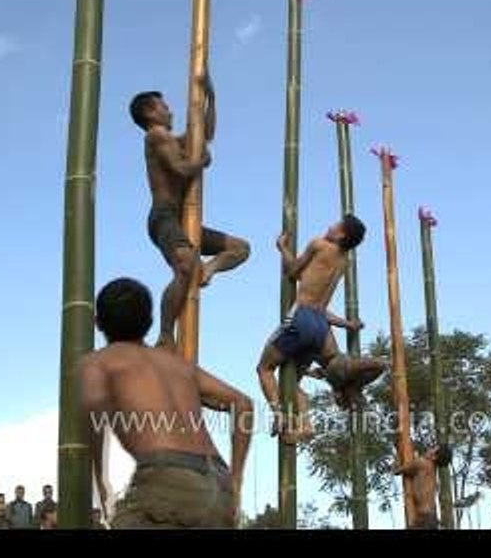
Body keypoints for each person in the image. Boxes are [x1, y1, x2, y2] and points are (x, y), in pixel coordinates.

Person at [80, 277, 253, 529]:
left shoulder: (99, 363)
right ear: (148, 322)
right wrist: (235, 480)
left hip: (168, 480)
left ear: (98, 323)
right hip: (219, 484)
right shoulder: (179, 365)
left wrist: (101, 482)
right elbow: (243, 403)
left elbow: (93, 425)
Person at [129, 74, 251, 349]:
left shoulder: (169, 139)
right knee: (185, 265)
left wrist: (211, 97)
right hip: (165, 217)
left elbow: (203, 134)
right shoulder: (156, 136)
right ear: (150, 112)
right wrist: (201, 161)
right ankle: (165, 333)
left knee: (240, 249)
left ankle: (207, 270)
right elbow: (182, 168)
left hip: (184, 220)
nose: (170, 110)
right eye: (163, 106)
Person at [257, 215, 388, 443]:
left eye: (335, 225)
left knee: (264, 369)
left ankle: (279, 414)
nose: (330, 226)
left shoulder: (319, 244)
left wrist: (282, 248)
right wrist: (348, 324)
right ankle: (306, 425)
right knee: (293, 384)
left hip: (302, 318)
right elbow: (322, 308)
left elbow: (292, 271)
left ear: (341, 234)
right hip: (320, 327)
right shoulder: (343, 262)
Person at [393, 444, 453, 530]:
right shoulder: (431, 468)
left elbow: (396, 470)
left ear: (434, 457)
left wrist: (399, 452)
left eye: (432, 449)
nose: (429, 449)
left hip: (424, 519)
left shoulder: (422, 463)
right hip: (430, 518)